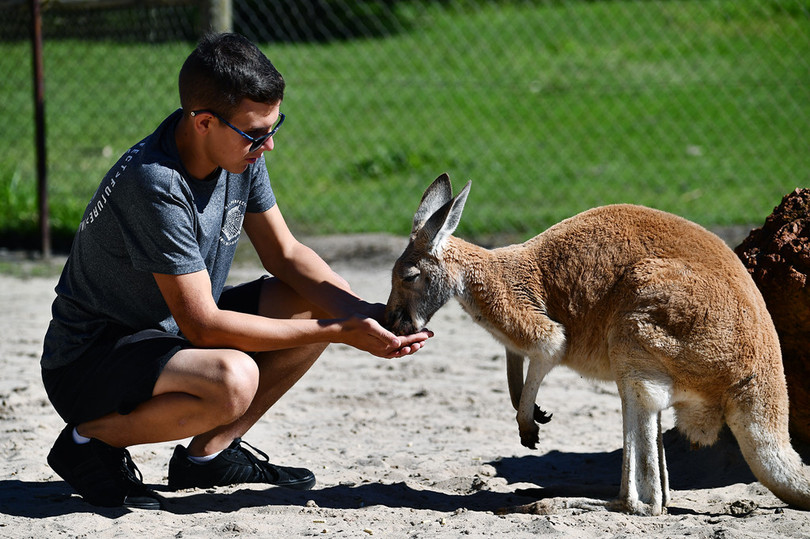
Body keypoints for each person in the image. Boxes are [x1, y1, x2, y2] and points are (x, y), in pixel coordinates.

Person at [40, 32, 432, 510]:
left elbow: (284, 253)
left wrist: (366, 313)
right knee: (234, 378)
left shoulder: (237, 150)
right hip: (91, 360)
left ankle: (209, 456)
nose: (268, 146)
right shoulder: (156, 183)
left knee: (317, 296)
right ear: (205, 122)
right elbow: (202, 326)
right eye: (257, 133)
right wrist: (339, 330)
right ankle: (87, 443)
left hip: (165, 335)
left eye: (274, 126)